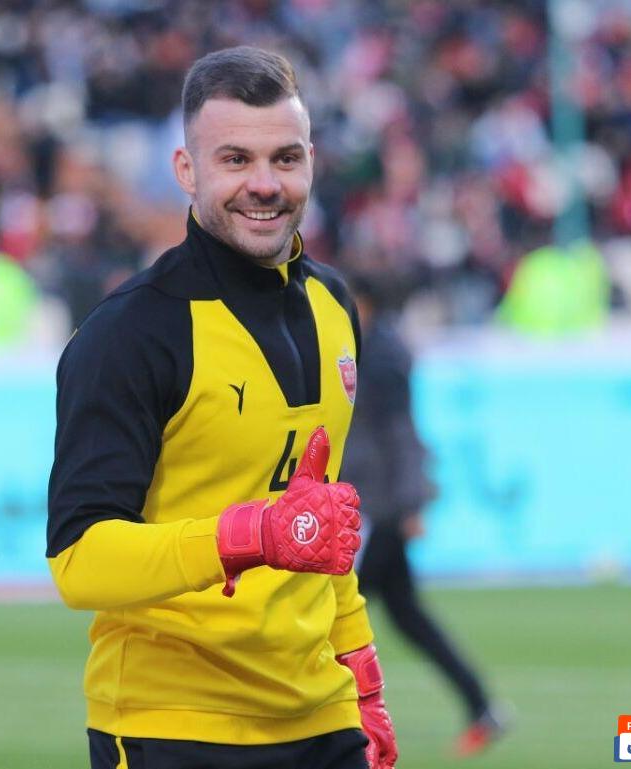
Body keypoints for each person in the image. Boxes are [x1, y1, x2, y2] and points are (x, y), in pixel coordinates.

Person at [46, 47, 397, 769]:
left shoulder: (335, 305)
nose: (264, 184)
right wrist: (246, 535)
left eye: (285, 159)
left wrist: (361, 674)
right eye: (235, 159)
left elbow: (323, 528)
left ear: (311, 163)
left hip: (322, 717)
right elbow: (79, 562)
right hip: (172, 725)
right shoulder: (130, 333)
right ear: (187, 170)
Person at [343, 272, 507, 758]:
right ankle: (482, 707)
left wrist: (410, 505)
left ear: (366, 304)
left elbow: (400, 434)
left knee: (334, 615)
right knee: (407, 616)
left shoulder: (380, 358)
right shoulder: (372, 351)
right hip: (376, 504)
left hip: (379, 509)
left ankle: (332, 724)